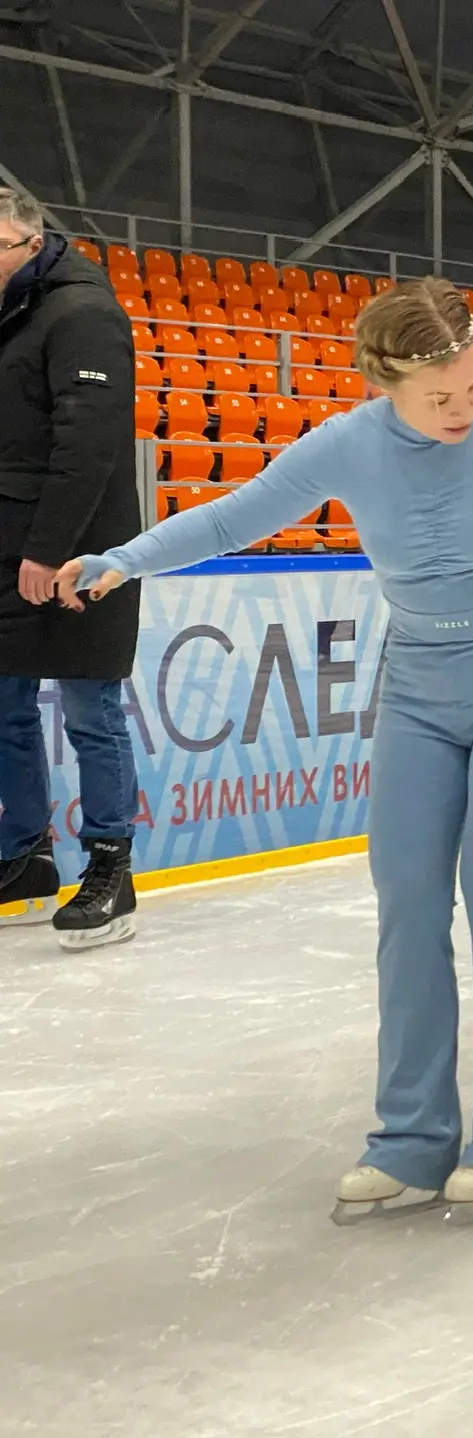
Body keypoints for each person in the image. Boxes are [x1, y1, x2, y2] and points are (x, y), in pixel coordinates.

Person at [55, 279, 473, 1225]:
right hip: (418, 694)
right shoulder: (347, 444)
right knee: (408, 902)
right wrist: (124, 560)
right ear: (386, 386)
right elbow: (226, 519)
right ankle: (412, 1137)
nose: (464, 408)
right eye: (441, 397)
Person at [0, 189, 143, 947]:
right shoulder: (14, 312)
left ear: (33, 244)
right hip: (11, 543)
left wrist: (50, 549)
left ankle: (111, 865)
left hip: (81, 549)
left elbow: (88, 444)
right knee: (5, 703)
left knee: (91, 708)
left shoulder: (83, 312)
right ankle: (25, 852)